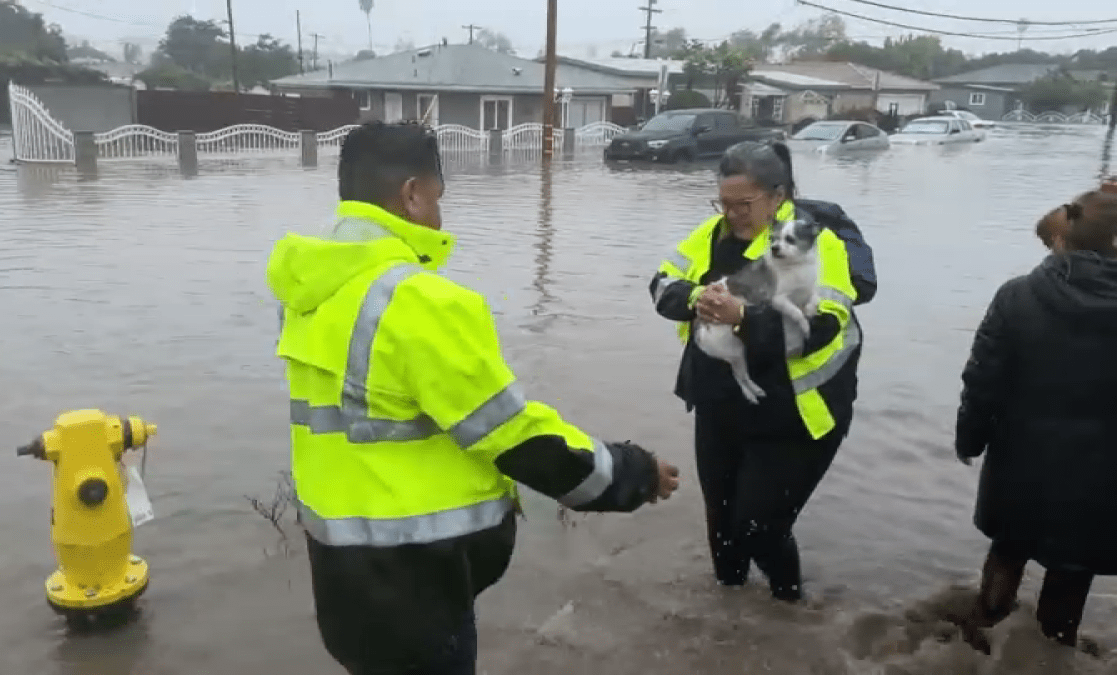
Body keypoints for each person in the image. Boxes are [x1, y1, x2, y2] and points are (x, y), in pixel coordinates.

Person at [265, 121, 680, 675]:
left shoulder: (307, 290)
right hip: (415, 586)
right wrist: (633, 473)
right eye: (439, 198)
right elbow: (514, 436)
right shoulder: (419, 300)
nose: (440, 215)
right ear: (413, 194)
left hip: (342, 577)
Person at [648, 140, 875, 602]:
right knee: (723, 530)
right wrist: (696, 298)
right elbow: (661, 282)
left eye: (744, 205)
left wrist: (744, 319)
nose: (732, 215)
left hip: (794, 414)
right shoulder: (710, 235)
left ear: (777, 197)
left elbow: (822, 327)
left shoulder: (816, 244)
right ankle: (731, 620)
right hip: (720, 406)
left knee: (760, 528)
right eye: (723, 203)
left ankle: (790, 610)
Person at [955, 188, 1117, 653]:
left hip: (1020, 463)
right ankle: (1050, 654)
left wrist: (970, 438)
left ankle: (977, 645)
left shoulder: (1017, 295)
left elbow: (982, 378)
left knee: (1007, 551)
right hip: (1100, 478)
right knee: (1071, 574)